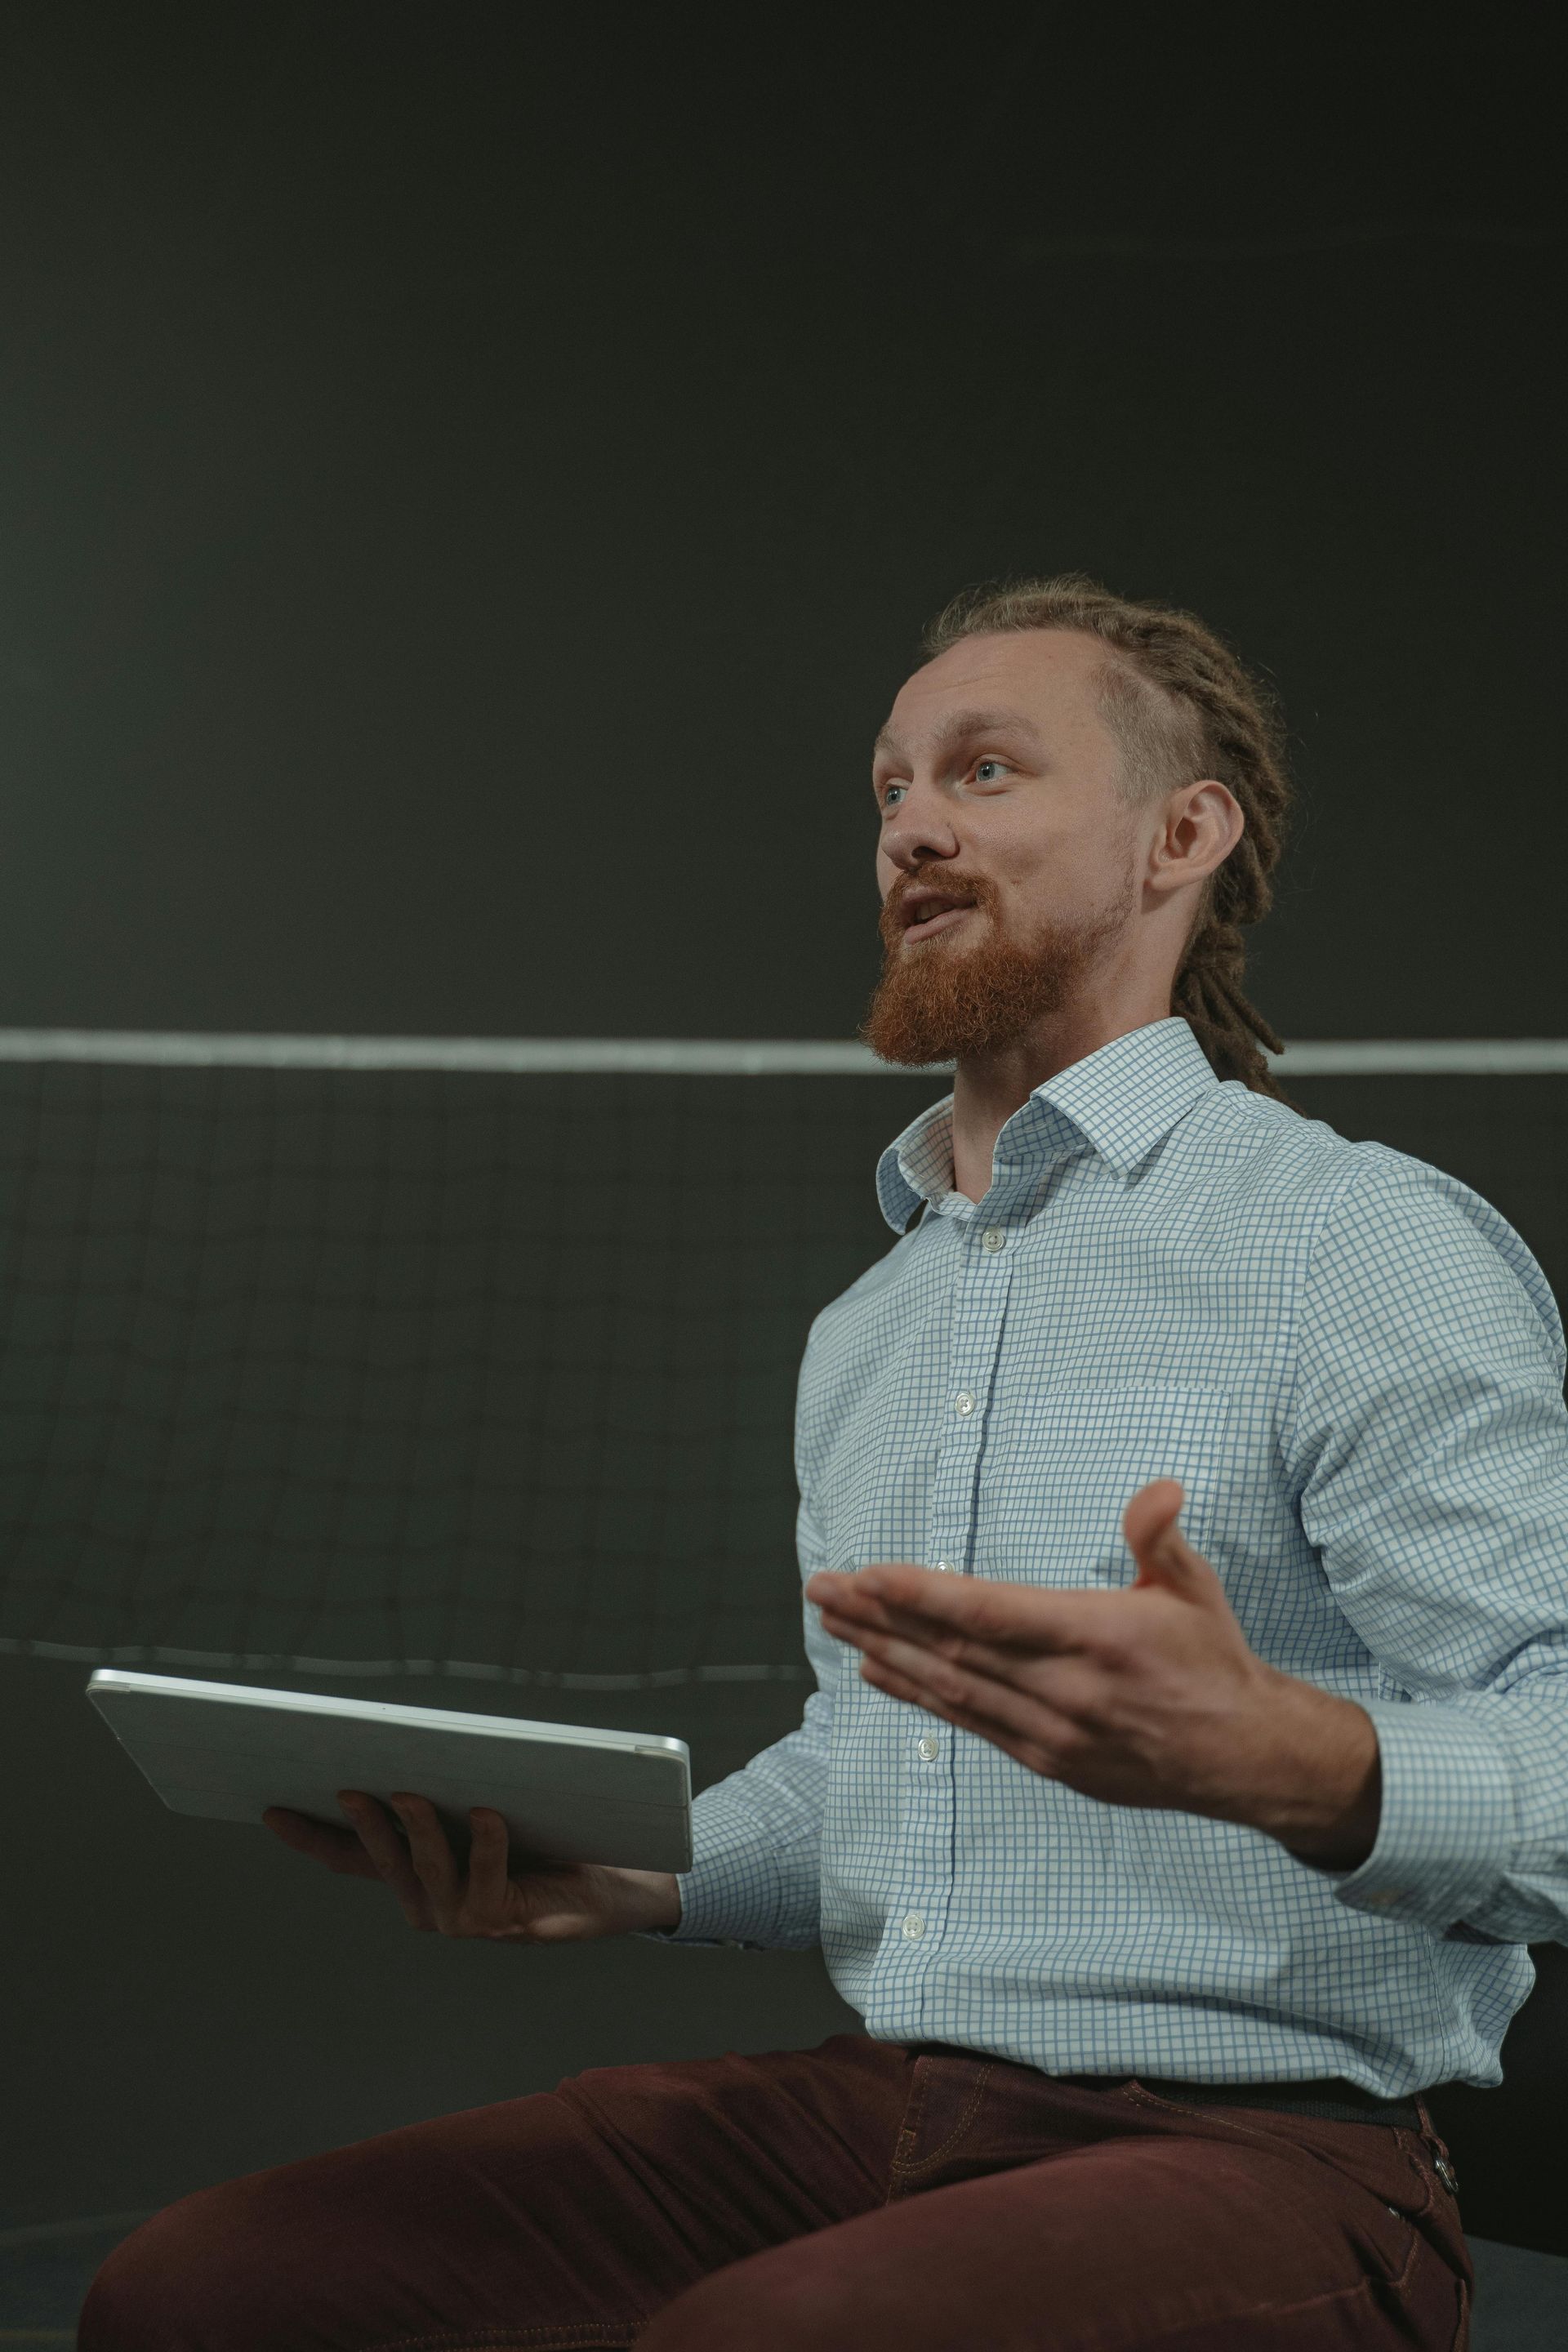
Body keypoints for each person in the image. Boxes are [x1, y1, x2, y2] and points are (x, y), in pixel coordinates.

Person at [82, 575, 1568, 2350]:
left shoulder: (1359, 1242)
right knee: (203, 2293)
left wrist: (1293, 1759)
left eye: (987, 769)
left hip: (1277, 2157)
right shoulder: (874, 1324)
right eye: (892, 787)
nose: (914, 825)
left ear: (1182, 835)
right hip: (894, 2113)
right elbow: (873, 1775)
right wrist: (646, 1875)